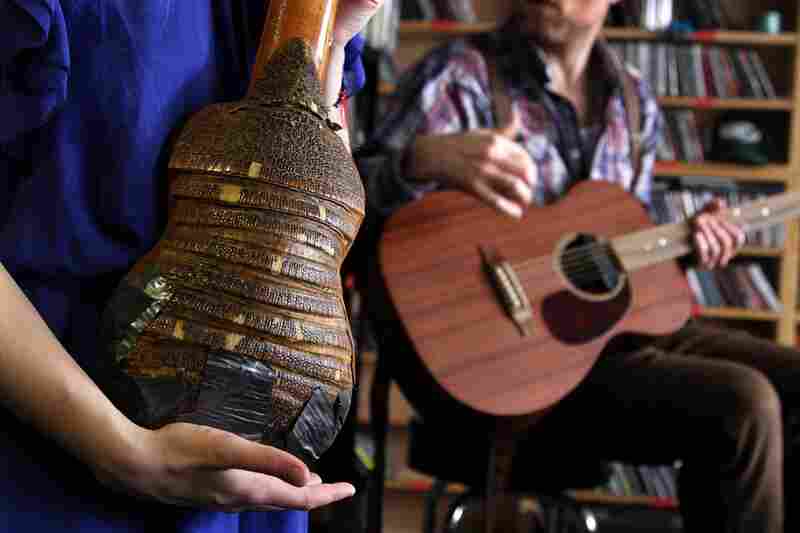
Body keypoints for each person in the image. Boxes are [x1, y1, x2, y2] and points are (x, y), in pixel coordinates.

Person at [355, 0, 800, 531]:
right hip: (503, 369)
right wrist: (416, 160)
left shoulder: (634, 101)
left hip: (607, 339)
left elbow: (616, 248)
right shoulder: (459, 76)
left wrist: (689, 239)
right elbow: (341, 203)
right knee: (743, 404)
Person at [0, 1, 382, 532]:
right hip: (53, 446)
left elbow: (314, 209)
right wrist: (120, 449)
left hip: (245, 478)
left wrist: (332, 43)